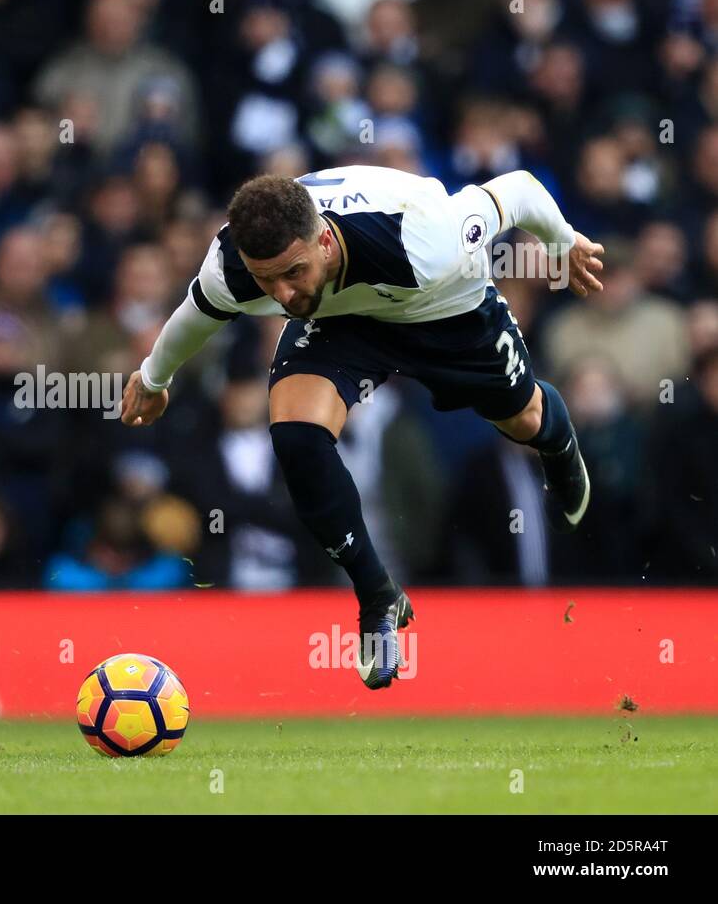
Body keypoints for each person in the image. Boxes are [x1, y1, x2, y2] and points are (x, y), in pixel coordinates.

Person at [120, 165, 604, 689]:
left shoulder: (427, 237)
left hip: (441, 309)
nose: (281, 295)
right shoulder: (234, 264)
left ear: (324, 240)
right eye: (267, 281)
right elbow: (198, 312)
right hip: (338, 324)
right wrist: (153, 378)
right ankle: (377, 595)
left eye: (292, 272)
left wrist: (564, 241)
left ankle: (557, 442)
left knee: (521, 418)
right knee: (297, 436)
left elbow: (518, 190)